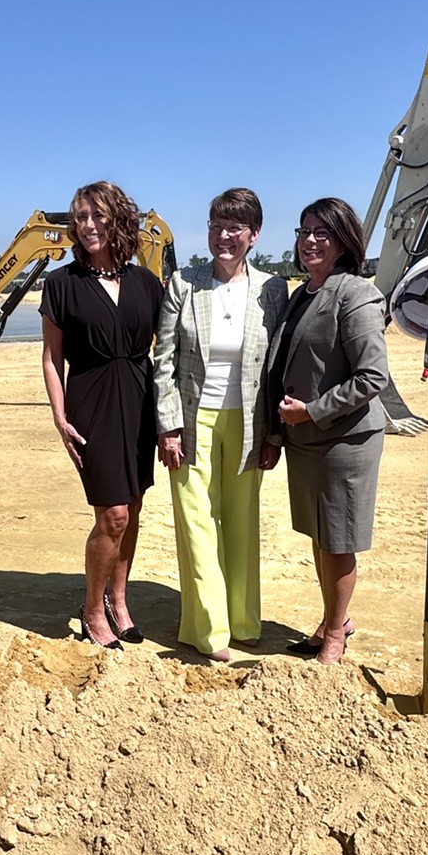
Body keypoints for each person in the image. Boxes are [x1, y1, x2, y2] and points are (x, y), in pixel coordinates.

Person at [153, 188, 288, 661]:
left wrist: (274, 434)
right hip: (193, 420)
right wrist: (168, 427)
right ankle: (209, 630)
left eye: (235, 227)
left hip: (249, 423)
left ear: (254, 235)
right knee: (196, 522)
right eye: (216, 225)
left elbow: (277, 367)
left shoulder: (273, 290)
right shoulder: (183, 285)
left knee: (242, 521)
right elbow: (163, 361)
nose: (223, 236)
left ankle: (244, 622)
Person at [40, 181, 165, 649]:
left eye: (97, 216)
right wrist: (58, 414)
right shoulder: (61, 284)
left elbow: (167, 352)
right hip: (90, 399)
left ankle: (119, 600)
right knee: (111, 513)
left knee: (132, 510)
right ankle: (93, 609)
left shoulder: (146, 284)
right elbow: (52, 359)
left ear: (118, 220)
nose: (87, 226)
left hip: (139, 398)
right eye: (80, 218)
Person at [265, 197, 388, 665]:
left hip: (344, 440)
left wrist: (313, 411)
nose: (310, 240)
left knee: (338, 540)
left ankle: (334, 635)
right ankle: (334, 619)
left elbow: (373, 376)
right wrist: (280, 431)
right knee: (321, 536)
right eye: (304, 231)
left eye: (322, 232)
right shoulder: (304, 293)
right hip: (305, 440)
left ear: (343, 241)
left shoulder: (356, 294)